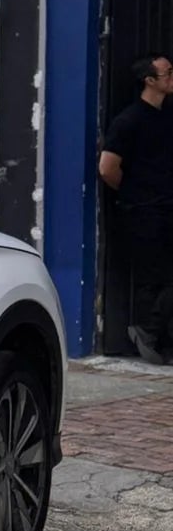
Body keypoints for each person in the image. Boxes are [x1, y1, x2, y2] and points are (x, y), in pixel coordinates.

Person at [99, 53, 173, 363]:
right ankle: (148, 333)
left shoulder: (166, 117)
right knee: (152, 277)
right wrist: (135, 193)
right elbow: (107, 168)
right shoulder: (129, 121)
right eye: (168, 73)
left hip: (165, 207)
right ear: (150, 80)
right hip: (143, 211)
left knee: (161, 277)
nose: (172, 77)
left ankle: (154, 335)